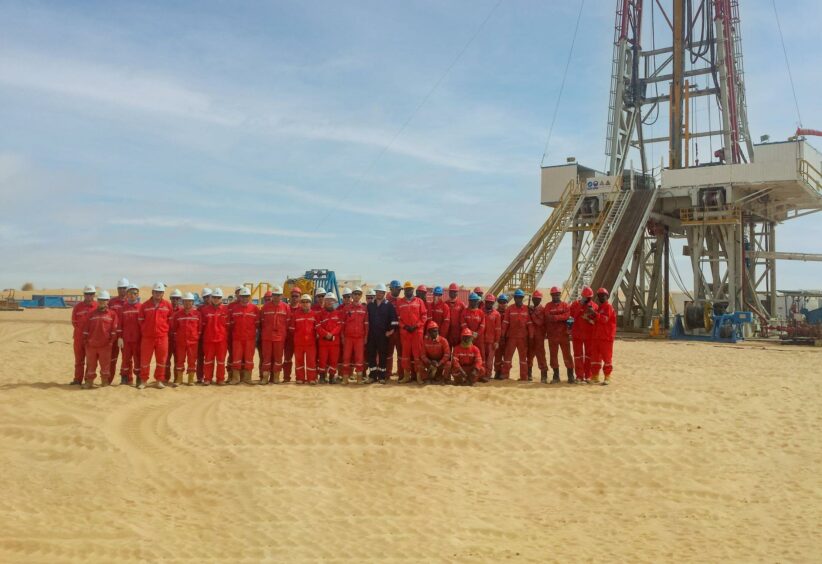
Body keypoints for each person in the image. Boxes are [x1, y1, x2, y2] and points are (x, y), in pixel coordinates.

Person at [138, 282, 174, 389]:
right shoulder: (144, 305)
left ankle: (159, 380)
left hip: (162, 337)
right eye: (156, 292)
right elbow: (140, 321)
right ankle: (144, 381)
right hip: (147, 338)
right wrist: (146, 330)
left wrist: (163, 330)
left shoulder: (167, 305)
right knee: (145, 360)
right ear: (152, 292)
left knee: (162, 360)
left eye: (160, 292)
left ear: (163, 293)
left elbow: (170, 320)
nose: (158, 294)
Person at [81, 290, 119, 388]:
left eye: (104, 300)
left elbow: (114, 330)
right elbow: (86, 329)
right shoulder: (91, 314)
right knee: (91, 365)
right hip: (91, 345)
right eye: (100, 300)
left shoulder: (112, 314)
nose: (102, 302)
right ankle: (89, 382)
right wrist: (86, 341)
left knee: (105, 366)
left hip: (105, 346)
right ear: (97, 301)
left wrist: (110, 342)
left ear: (108, 301)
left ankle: (104, 382)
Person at [396, 281, 427, 384]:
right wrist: (404, 326)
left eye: (410, 289)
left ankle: (419, 377)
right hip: (405, 333)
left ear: (413, 290)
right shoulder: (400, 302)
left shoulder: (419, 301)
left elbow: (424, 316)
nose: (408, 291)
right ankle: (406, 376)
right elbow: (397, 318)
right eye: (406, 289)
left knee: (417, 355)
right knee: (405, 355)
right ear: (404, 291)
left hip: (417, 332)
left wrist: (416, 326)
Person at [366, 283, 397, 383]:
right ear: (375, 293)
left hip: (383, 335)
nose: (379, 294)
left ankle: (382, 376)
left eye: (381, 292)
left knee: (383, 355)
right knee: (371, 355)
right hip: (372, 335)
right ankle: (372, 376)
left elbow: (394, 320)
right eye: (378, 292)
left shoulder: (389, 306)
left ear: (384, 293)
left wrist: (391, 331)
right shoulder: (370, 305)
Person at [228, 287, 260, 385]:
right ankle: (236, 378)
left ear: (249, 297)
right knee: (236, 359)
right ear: (239, 297)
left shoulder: (255, 309)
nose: (244, 298)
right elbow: (231, 324)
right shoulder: (234, 309)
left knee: (249, 359)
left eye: (246, 296)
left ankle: (247, 378)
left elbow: (257, 324)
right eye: (243, 296)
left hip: (250, 339)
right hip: (237, 338)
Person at [260, 286, 290, 385]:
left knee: (278, 358)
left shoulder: (286, 307)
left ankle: (276, 377)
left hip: (280, 338)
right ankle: (265, 378)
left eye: (278, 295)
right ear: (272, 295)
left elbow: (288, 322)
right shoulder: (265, 307)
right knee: (266, 358)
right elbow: (262, 321)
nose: (276, 297)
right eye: (275, 295)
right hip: (267, 337)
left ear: (282, 296)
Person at [545, 286, 574, 384]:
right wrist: (561, 317)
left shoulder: (565, 305)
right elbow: (547, 317)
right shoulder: (548, 306)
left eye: (557, 294)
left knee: (567, 356)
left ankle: (570, 376)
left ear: (559, 295)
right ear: (551, 295)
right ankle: (556, 376)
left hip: (563, 335)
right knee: (553, 356)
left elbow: (568, 316)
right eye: (554, 295)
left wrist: (556, 317)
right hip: (552, 336)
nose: (555, 296)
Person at [501, 289, 533, 381]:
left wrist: (531, 336)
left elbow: (530, 324)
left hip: (523, 338)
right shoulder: (509, 309)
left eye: (520, 297)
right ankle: (505, 375)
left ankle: (523, 376)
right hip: (511, 337)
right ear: (514, 298)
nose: (518, 299)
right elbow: (505, 323)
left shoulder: (527, 309)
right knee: (507, 357)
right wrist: (502, 335)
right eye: (517, 297)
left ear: (522, 298)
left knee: (523, 359)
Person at [569, 286, 599, 384]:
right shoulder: (575, 304)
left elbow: (596, 319)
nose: (587, 300)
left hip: (589, 335)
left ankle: (588, 376)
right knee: (578, 356)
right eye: (586, 297)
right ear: (582, 296)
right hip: (577, 334)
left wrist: (591, 316)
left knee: (589, 356)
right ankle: (579, 376)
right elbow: (572, 315)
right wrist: (580, 306)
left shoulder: (594, 306)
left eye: (589, 298)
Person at [200, 288, 229, 385]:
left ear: (221, 298)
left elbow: (228, 325)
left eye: (218, 297)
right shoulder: (205, 310)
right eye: (214, 297)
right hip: (209, 340)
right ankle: (207, 378)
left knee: (221, 361)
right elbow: (202, 325)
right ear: (211, 298)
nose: (216, 299)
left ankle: (220, 379)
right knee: (208, 360)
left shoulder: (226, 310)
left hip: (221, 340)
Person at [172, 292, 201, 386]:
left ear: (193, 302)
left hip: (193, 342)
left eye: (189, 301)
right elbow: (174, 328)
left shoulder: (197, 314)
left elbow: (200, 329)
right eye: (185, 301)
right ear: (182, 302)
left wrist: (195, 337)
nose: (187, 303)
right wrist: (178, 338)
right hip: (181, 342)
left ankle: (190, 379)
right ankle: (179, 379)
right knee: (180, 360)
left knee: (192, 360)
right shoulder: (177, 315)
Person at [71, 285, 97, 385]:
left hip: (92, 339)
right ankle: (77, 380)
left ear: (94, 295)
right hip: (79, 338)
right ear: (84, 295)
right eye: (87, 294)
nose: (89, 296)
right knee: (79, 361)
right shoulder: (78, 307)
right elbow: (74, 322)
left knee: (90, 362)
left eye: (91, 294)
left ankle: (88, 380)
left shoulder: (97, 306)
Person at [342, 287, 368, 384]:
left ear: (361, 296)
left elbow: (366, 324)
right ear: (352, 295)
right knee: (346, 357)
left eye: (358, 294)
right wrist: (342, 337)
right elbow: (342, 324)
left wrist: (366, 337)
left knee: (359, 358)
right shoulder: (346, 308)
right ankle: (345, 379)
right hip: (348, 337)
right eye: (355, 294)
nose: (356, 296)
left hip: (359, 338)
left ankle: (359, 379)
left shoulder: (364, 308)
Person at [290, 293, 318, 384]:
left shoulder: (314, 314)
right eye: (303, 302)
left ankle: (311, 379)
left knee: (311, 362)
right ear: (300, 303)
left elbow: (317, 329)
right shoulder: (296, 314)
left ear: (310, 303)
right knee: (299, 362)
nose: (305, 304)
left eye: (307, 302)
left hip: (311, 343)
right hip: (298, 343)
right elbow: (292, 329)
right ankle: (300, 378)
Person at [590, 288, 616, 385]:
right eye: (599, 295)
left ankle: (607, 377)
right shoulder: (599, 308)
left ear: (607, 296)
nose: (601, 297)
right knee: (595, 358)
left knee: (607, 358)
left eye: (603, 295)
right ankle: (595, 376)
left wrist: (594, 314)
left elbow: (604, 319)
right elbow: (596, 320)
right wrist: (590, 315)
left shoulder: (608, 307)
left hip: (606, 337)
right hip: (597, 337)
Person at [317, 293, 343, 383]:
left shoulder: (338, 314)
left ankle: (332, 377)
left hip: (334, 342)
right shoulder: (320, 314)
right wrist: (325, 334)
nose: (329, 302)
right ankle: (322, 377)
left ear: (334, 302)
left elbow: (339, 326)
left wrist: (331, 334)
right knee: (322, 360)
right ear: (324, 301)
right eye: (327, 300)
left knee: (333, 360)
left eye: (331, 300)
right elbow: (317, 326)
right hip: (323, 342)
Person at [118, 285, 142, 385]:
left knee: (138, 360)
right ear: (127, 295)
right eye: (130, 293)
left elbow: (144, 324)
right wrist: (119, 337)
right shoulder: (123, 308)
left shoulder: (141, 307)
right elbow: (120, 323)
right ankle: (124, 378)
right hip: (126, 339)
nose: (132, 295)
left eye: (134, 293)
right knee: (125, 360)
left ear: (138, 295)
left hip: (138, 339)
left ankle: (139, 378)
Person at [108, 278, 129, 381]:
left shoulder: (131, 302)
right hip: (113, 335)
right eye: (120, 288)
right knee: (112, 358)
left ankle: (126, 379)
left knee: (127, 358)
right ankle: (108, 379)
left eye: (124, 288)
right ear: (117, 289)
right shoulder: (111, 302)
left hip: (127, 335)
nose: (122, 290)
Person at [527, 290, 549, 383]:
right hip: (530, 336)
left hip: (539, 337)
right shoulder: (530, 309)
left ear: (540, 300)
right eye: (535, 298)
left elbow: (539, 322)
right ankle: (529, 374)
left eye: (538, 299)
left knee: (541, 356)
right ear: (532, 299)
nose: (536, 300)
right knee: (529, 355)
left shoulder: (543, 310)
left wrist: (532, 313)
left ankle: (544, 376)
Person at [282, 287, 302, 382]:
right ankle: (286, 378)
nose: (294, 298)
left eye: (296, 296)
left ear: (300, 297)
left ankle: (299, 378)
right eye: (293, 296)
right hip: (288, 339)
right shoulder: (286, 308)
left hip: (299, 339)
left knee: (299, 360)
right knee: (287, 359)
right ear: (290, 297)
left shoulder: (302, 309)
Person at [385, 280, 403, 379]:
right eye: (398, 289)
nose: (399, 291)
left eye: (400, 289)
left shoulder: (401, 301)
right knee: (388, 354)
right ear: (392, 289)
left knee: (400, 354)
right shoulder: (386, 301)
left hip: (399, 332)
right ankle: (388, 373)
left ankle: (400, 373)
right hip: (389, 332)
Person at [482, 294, 501, 383]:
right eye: (488, 302)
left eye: (491, 302)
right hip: (481, 340)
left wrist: (497, 341)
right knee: (482, 359)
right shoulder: (480, 312)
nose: (489, 304)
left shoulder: (496, 314)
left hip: (491, 341)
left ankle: (488, 375)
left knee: (489, 360)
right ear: (485, 302)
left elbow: (498, 329)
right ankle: (481, 374)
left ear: (493, 303)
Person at [196, 287, 212, 384]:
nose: (206, 299)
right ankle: (199, 377)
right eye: (205, 297)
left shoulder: (216, 307)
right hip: (201, 337)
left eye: (208, 297)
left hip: (211, 338)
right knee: (200, 358)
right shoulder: (200, 309)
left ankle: (208, 377)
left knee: (209, 359)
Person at [445, 282, 465, 347]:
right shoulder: (445, 304)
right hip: (448, 331)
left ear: (457, 293)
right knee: (448, 349)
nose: (453, 293)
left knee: (458, 350)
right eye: (451, 291)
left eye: (454, 292)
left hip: (458, 331)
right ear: (449, 292)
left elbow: (464, 318)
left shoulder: (461, 304)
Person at [494, 294, 509, 379]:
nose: (502, 304)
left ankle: (505, 373)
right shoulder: (495, 313)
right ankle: (497, 372)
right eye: (500, 302)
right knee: (498, 357)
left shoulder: (509, 312)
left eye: (504, 302)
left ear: (507, 303)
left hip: (507, 339)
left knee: (507, 357)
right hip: (498, 339)